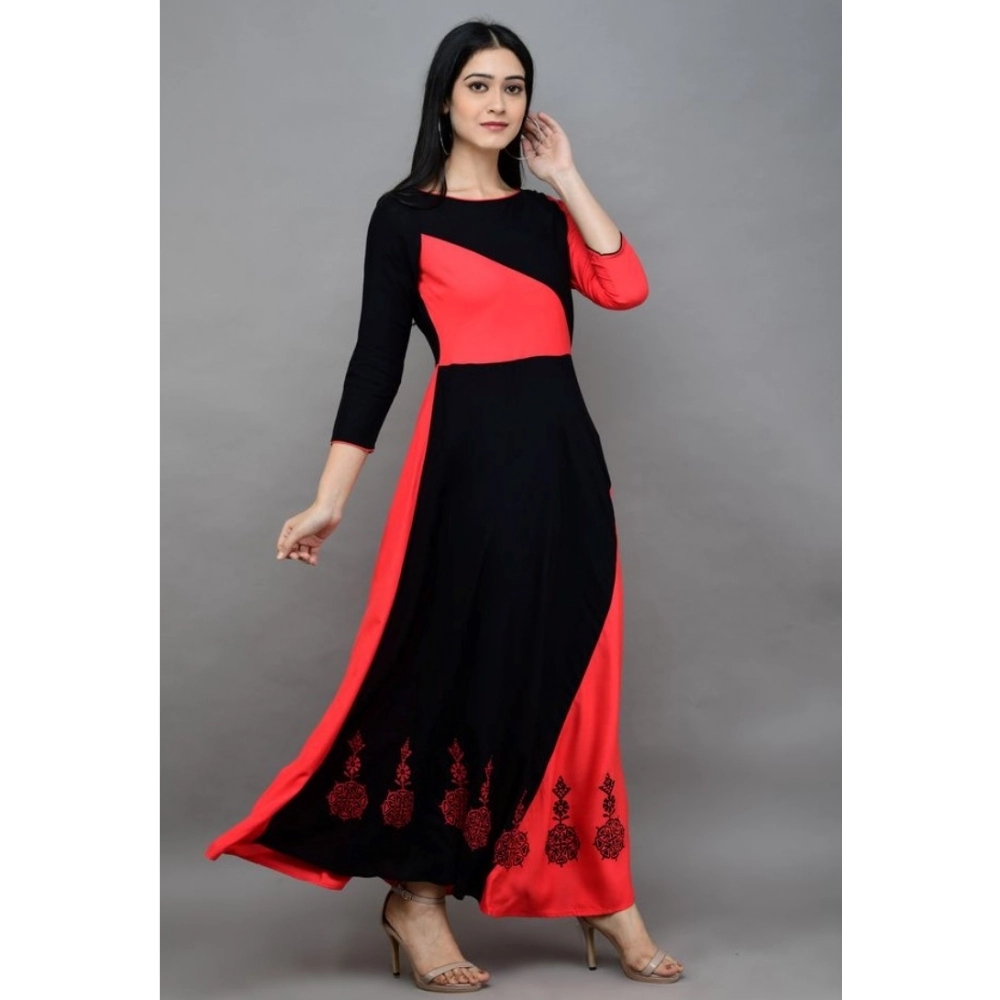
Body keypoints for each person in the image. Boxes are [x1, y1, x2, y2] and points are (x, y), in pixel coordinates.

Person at [205, 18, 685, 992]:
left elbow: (625, 286)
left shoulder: (543, 218)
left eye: (514, 86)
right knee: (455, 667)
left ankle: (600, 887)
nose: (499, 103)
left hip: (563, 466)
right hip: (466, 466)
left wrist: (566, 176)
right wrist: (329, 499)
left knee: (574, 669)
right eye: (479, 85)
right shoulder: (403, 217)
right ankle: (416, 896)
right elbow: (375, 363)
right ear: (444, 99)